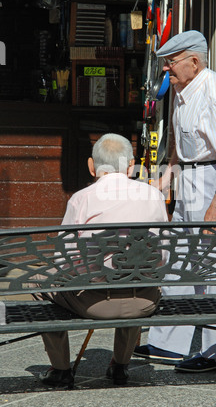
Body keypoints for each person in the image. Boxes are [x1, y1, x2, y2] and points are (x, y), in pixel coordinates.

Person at [134, 30, 216, 373]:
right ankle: (167, 343)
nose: (167, 70)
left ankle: (215, 353)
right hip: (192, 175)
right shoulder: (183, 90)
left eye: (171, 63)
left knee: (214, 266)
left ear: (194, 62)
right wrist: (165, 180)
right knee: (180, 257)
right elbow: (177, 142)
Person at [36, 133, 169, 388]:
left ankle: (61, 369)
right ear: (131, 166)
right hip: (143, 301)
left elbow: (63, 260)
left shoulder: (82, 199)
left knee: (40, 282)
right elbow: (162, 257)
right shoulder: (153, 195)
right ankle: (120, 366)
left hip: (94, 303)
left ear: (91, 166)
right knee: (136, 273)